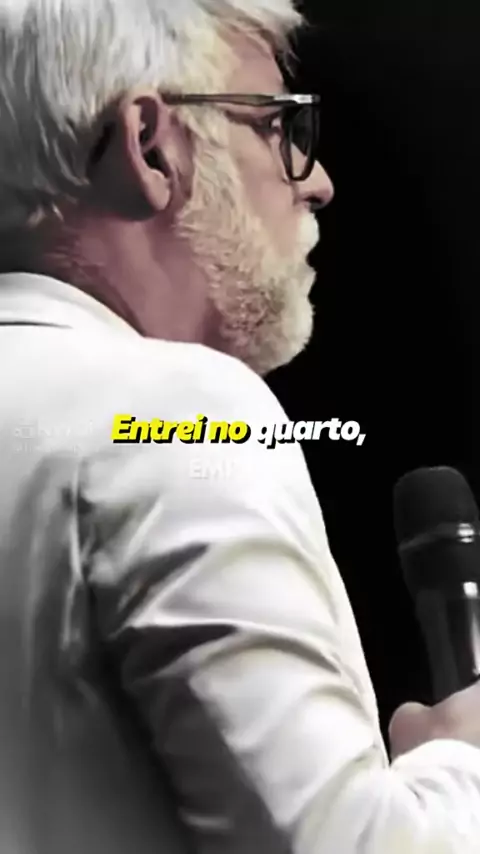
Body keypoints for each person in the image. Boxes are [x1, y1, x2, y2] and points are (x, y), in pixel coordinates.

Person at [1, 1, 480, 853]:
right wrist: (464, 764)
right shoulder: (176, 411)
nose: (317, 179)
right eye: (275, 126)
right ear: (151, 146)